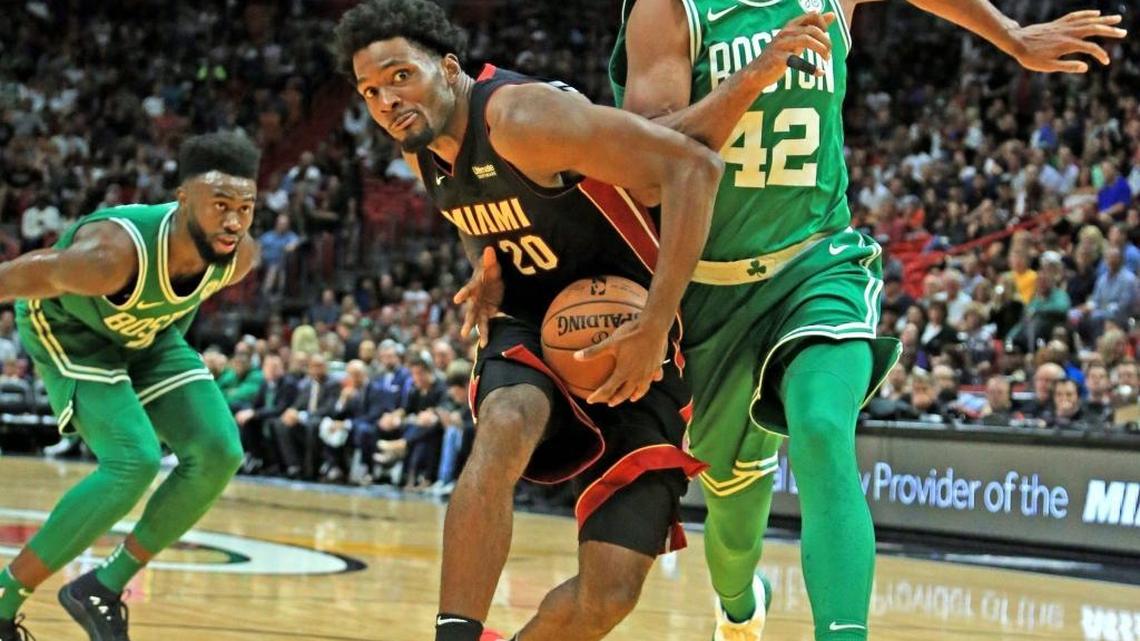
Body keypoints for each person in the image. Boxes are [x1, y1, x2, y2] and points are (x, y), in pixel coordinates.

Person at [610, 2, 1126, 639]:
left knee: (824, 427)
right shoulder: (669, 10)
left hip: (814, 262)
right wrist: (749, 79)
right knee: (731, 521)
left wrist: (1011, 36)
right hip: (707, 291)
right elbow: (644, 167)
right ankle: (740, 605)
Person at [333, 1, 723, 639]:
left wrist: (655, 324)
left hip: (631, 327)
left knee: (610, 593)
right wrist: (486, 266)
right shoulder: (420, 148)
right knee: (508, 417)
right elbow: (473, 209)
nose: (385, 99)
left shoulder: (522, 117)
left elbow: (694, 168)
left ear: (449, 68)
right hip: (532, 320)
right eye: (370, 90)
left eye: (400, 75)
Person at [0, 131, 262, 641]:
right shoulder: (111, 256)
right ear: (182, 198)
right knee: (134, 458)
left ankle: (101, 585)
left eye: (246, 207)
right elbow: (14, 279)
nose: (234, 221)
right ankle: (5, 597)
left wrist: (161, 370)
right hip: (71, 334)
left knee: (218, 451)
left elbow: (178, 304)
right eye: (221, 205)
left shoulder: (238, 256)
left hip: (146, 338)